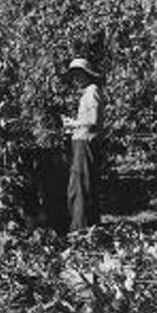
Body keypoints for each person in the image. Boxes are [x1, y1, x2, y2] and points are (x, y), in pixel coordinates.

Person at [63, 57, 105, 231]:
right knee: (78, 185)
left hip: (84, 143)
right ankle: (86, 226)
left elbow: (93, 120)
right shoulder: (88, 93)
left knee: (81, 186)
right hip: (80, 141)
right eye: (74, 76)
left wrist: (74, 123)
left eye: (79, 75)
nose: (76, 80)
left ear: (88, 75)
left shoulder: (92, 91)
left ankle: (81, 229)